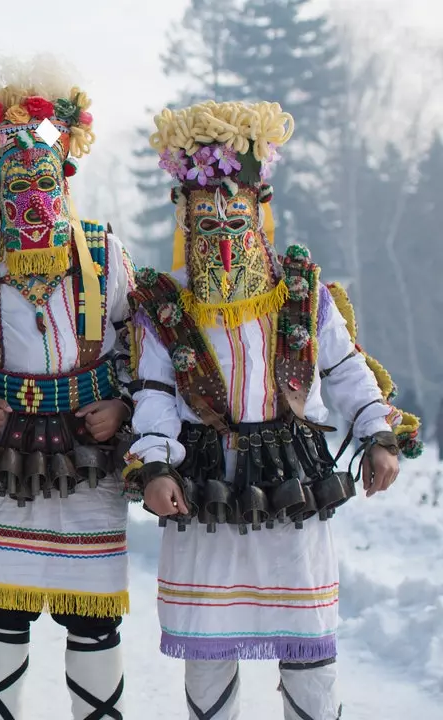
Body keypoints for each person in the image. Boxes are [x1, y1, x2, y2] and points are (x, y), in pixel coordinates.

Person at [127, 100, 419, 720]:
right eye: (206, 219)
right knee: (208, 649)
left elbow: (344, 370)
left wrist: (377, 435)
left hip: (294, 479)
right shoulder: (166, 302)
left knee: (310, 647)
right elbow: (153, 393)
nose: (224, 233)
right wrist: (154, 465)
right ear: (184, 216)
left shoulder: (303, 290)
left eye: (237, 216)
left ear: (261, 212)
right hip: (204, 482)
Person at [0, 57, 135, 720]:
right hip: (3, 453)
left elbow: (142, 344)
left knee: (92, 616)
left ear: (65, 179)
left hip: (86, 455)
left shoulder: (104, 250)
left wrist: (123, 405)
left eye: (46, 179)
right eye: (18, 184)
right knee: (4, 610)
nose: (34, 198)